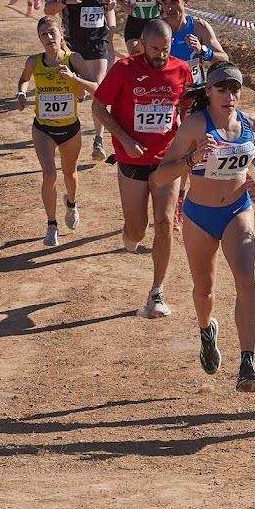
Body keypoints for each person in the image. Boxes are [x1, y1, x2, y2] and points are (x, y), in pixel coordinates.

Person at [151, 62, 255, 391]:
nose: (229, 96)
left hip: (237, 211)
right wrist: (193, 159)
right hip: (199, 216)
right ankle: (206, 331)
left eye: (235, 90)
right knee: (204, 290)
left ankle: (247, 363)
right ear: (209, 91)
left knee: (246, 280)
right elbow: (160, 176)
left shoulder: (250, 122)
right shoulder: (194, 127)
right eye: (222, 89)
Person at [93, 20, 194, 319]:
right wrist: (125, 139)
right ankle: (130, 235)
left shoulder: (181, 70)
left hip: (167, 159)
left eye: (165, 49)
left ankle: (157, 292)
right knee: (136, 229)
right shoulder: (124, 69)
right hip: (132, 159)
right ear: (141, 45)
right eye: (155, 49)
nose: (161, 55)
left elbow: (187, 109)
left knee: (164, 222)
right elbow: (98, 107)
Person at [16, 17, 100, 247]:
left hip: (70, 129)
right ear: (39, 38)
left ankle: (71, 204)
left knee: (69, 174)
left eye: (52, 32)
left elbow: (96, 88)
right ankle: (51, 224)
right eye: (43, 34)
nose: (49, 37)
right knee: (50, 175)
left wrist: (74, 78)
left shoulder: (74, 59)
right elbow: (23, 80)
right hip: (43, 128)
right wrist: (21, 93)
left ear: (61, 32)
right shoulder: (34, 61)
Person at [44, 0, 115, 159]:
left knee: (99, 91)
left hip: (98, 40)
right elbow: (48, 8)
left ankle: (98, 140)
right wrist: (67, 1)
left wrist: (110, 2)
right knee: (78, 91)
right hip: (74, 43)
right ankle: (63, 132)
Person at [160, 0, 227, 87]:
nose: (169, 7)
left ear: (185, 1)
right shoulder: (157, 29)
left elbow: (224, 59)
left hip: (194, 90)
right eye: (164, 2)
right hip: (167, 90)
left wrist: (203, 51)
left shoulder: (199, 27)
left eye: (174, 1)